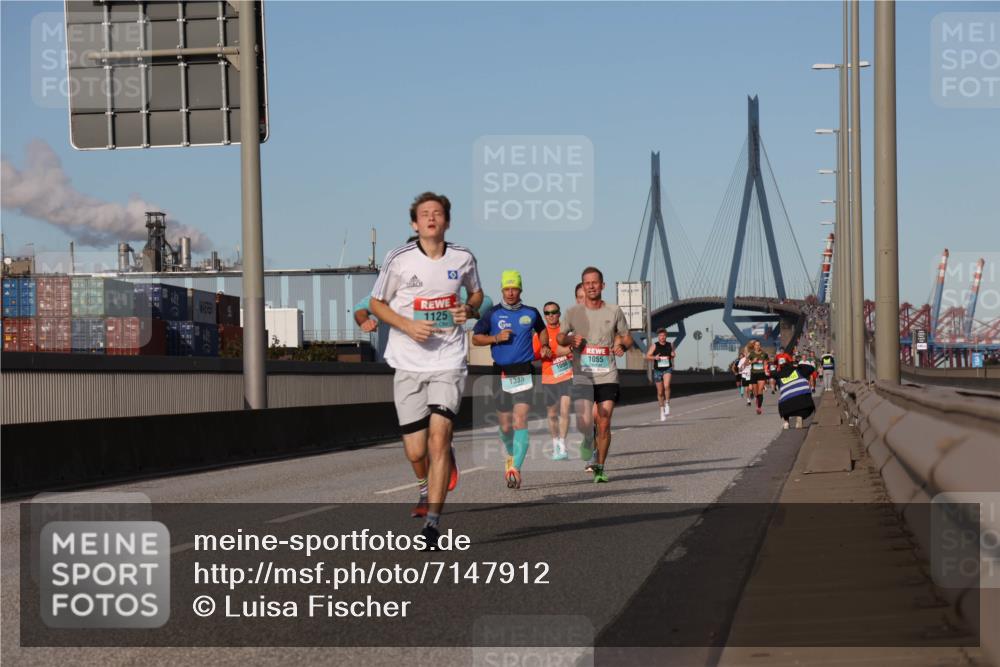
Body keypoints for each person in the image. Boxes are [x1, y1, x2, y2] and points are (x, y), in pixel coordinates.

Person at [369, 192, 483, 548]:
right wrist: (406, 325)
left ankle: (432, 525)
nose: (431, 218)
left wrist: (468, 309)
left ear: (447, 221)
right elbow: (376, 303)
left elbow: (477, 295)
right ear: (414, 223)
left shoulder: (463, 257)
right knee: (416, 451)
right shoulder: (398, 258)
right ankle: (424, 483)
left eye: (437, 213)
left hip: (449, 360)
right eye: (424, 214)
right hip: (408, 362)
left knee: (439, 439)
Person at [472, 271, 547, 489]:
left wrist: (544, 344)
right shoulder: (492, 314)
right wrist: (495, 338)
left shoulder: (531, 312)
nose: (511, 293)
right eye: (507, 289)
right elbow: (476, 338)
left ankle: (515, 467)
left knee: (520, 420)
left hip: (524, 370)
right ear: (502, 290)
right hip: (501, 372)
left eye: (514, 288)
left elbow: (542, 331)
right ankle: (512, 455)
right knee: (505, 427)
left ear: (520, 290)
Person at [558, 267, 632, 483]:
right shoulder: (573, 312)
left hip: (607, 374)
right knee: (584, 422)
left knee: (604, 420)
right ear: (583, 286)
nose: (591, 286)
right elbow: (560, 338)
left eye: (595, 282)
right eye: (587, 283)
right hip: (583, 375)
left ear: (602, 285)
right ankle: (587, 438)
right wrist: (570, 340)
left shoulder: (614, 310)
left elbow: (627, 336)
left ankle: (599, 466)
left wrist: (623, 346)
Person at [532, 301, 574, 460]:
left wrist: (568, 352)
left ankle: (562, 445)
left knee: (565, 411)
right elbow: (534, 355)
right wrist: (541, 354)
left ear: (559, 313)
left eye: (554, 312)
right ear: (544, 316)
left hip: (566, 375)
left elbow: (574, 349)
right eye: (547, 313)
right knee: (552, 415)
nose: (551, 315)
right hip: (549, 377)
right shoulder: (540, 334)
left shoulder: (566, 332)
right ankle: (556, 443)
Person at [775, 357, 816, 429]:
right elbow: (811, 368)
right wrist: (799, 365)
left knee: (782, 399)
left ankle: (786, 422)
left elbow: (779, 386)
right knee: (802, 403)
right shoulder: (799, 370)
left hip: (786, 404)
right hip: (802, 399)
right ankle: (800, 416)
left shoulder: (779, 376)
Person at [645, 328, 675, 421]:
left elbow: (673, 354)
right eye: (660, 336)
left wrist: (673, 354)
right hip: (658, 370)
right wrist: (655, 357)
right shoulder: (655, 345)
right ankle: (662, 411)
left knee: (667, 386)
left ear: (666, 336)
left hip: (667, 369)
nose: (662, 337)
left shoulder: (670, 344)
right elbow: (647, 356)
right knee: (660, 392)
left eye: (664, 335)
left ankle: (667, 404)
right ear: (658, 337)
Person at [740, 340, 769, 415]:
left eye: (759, 345)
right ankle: (757, 401)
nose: (758, 346)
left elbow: (766, 363)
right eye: (756, 345)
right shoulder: (751, 354)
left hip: (761, 374)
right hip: (754, 374)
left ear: (760, 346)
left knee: (760, 391)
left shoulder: (764, 354)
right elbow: (745, 364)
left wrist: (766, 370)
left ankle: (759, 407)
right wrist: (752, 361)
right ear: (754, 346)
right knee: (756, 393)